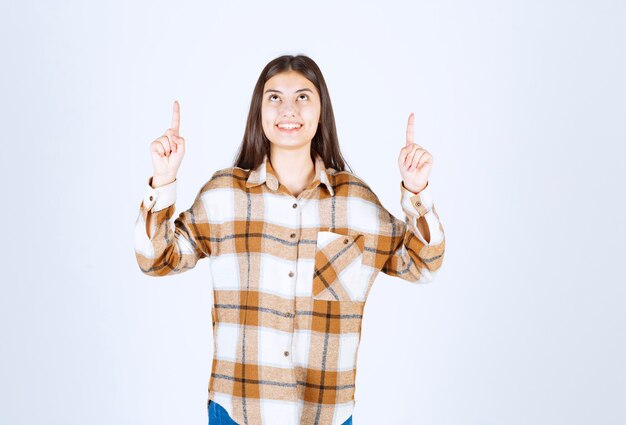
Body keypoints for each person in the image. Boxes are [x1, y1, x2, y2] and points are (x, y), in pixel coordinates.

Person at [134, 54, 445, 425]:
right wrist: (164, 180)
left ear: (320, 111)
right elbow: (155, 259)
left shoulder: (355, 203)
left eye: (302, 97)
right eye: (274, 97)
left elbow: (423, 266)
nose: (288, 109)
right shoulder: (224, 196)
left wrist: (416, 190)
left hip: (324, 414)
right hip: (238, 410)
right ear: (259, 111)